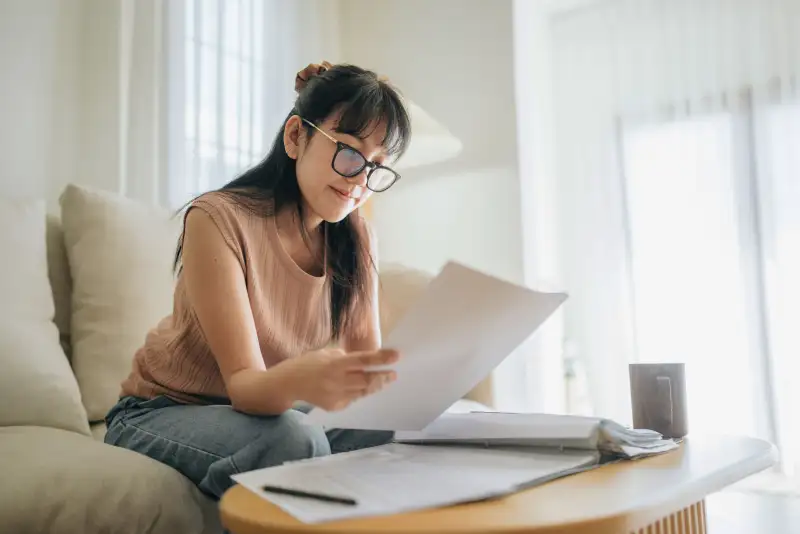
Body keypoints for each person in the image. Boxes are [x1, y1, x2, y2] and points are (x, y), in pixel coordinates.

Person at [103, 62, 411, 500]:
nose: (360, 180)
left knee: (384, 426)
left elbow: (369, 377)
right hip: (162, 410)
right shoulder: (218, 218)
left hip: (260, 409)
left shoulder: (356, 237)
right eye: (349, 152)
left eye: (377, 166)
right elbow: (246, 387)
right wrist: (303, 378)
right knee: (292, 439)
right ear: (294, 137)